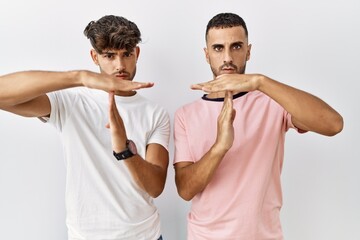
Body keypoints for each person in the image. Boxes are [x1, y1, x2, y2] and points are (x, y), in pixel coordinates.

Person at [173, 12, 343, 240]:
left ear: (248, 51)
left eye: (236, 46)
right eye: (217, 48)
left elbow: (333, 124)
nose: (227, 58)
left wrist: (259, 81)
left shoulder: (272, 101)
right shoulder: (186, 114)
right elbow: (185, 189)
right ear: (206, 55)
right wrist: (220, 147)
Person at [0, 15, 169, 240]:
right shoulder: (70, 102)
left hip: (144, 235)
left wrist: (125, 150)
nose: (120, 65)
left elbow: (156, 187)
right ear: (94, 57)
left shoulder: (155, 113)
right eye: (109, 56)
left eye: (126, 54)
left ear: (136, 54)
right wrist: (79, 77)